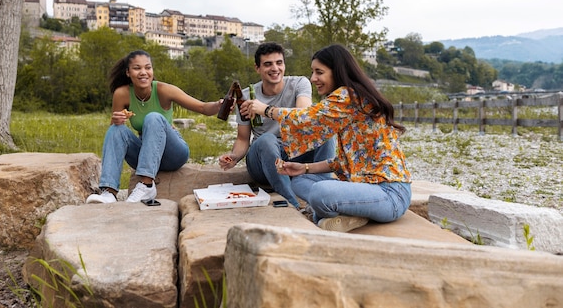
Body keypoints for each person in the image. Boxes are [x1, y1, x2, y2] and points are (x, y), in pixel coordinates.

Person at [245, 44, 411, 232]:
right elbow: (345, 161)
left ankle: (339, 212)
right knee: (300, 181)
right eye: (313, 72)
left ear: (336, 72)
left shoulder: (348, 97)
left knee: (320, 192)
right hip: (363, 187)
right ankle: (352, 215)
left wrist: (266, 110)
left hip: (389, 194)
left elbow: (308, 119)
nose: (313, 78)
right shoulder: (346, 98)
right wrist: (305, 167)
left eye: (319, 72)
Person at [86, 50, 221, 204]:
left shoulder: (164, 90)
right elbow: (116, 138)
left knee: (153, 117)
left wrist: (219, 105)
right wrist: (116, 120)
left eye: (148, 68)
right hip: (145, 154)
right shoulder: (122, 94)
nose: (143, 72)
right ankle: (109, 192)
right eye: (137, 68)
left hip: (173, 154)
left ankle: (147, 185)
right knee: (116, 129)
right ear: (128, 72)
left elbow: (203, 108)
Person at [218, 42, 335, 209]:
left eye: (279, 63)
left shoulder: (299, 83)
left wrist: (265, 110)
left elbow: (304, 116)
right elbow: (243, 139)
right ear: (257, 68)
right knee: (267, 139)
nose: (275, 68)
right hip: (263, 160)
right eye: (268, 64)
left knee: (325, 129)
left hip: (296, 153)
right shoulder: (245, 95)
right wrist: (234, 157)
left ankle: (324, 193)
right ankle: (294, 204)